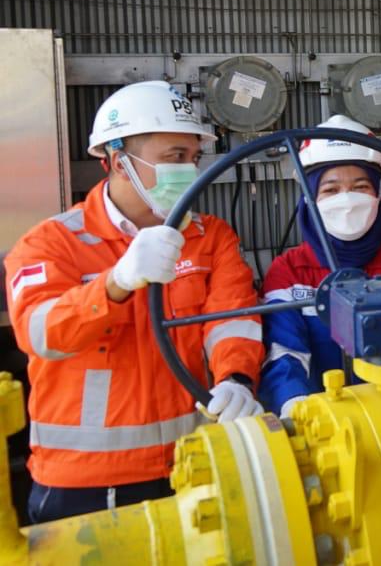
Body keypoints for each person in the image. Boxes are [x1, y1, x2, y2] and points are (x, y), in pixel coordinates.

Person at [3, 81, 264, 523]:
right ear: (118, 160)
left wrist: (236, 377)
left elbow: (232, 321)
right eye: (174, 158)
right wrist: (116, 283)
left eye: (193, 157)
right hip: (85, 482)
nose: (190, 171)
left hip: (195, 462)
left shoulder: (210, 236)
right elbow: (39, 334)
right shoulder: (51, 243)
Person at [259, 116, 381, 416]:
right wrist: (298, 409)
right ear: (309, 198)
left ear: (379, 195)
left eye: (360, 187)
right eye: (331, 190)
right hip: (325, 426)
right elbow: (285, 353)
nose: (347, 201)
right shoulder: (289, 271)